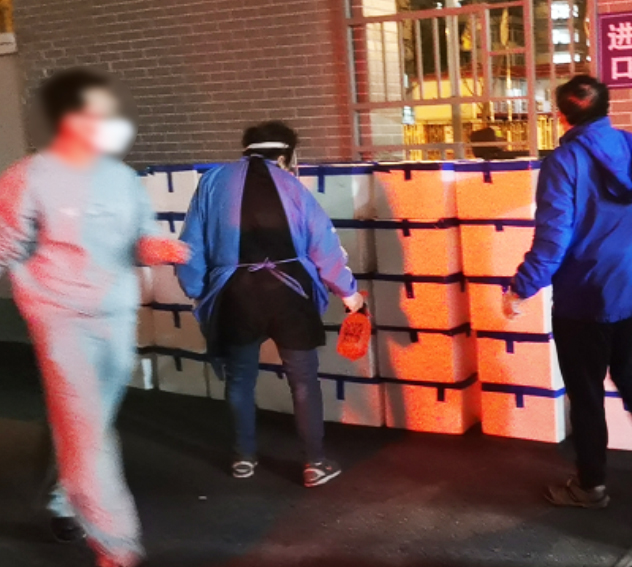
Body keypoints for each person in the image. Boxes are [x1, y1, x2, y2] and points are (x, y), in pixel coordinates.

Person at [0, 68, 188, 567]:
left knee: (90, 418)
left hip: (116, 312)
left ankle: (65, 498)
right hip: (60, 315)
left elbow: (141, 237)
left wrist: (157, 248)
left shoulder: (122, 178)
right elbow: (5, 242)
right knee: (87, 426)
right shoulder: (28, 176)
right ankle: (116, 544)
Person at [502, 75, 632, 509]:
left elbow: (553, 239)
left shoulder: (564, 161)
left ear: (560, 115)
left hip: (584, 296)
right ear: (606, 108)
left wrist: (520, 288)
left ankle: (591, 487)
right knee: (628, 372)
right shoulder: (630, 148)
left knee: (586, 395)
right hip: (628, 288)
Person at [177, 121, 364, 487]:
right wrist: (349, 294)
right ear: (284, 156)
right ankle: (314, 463)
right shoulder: (294, 186)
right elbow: (324, 246)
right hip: (291, 294)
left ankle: (243, 458)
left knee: (240, 378)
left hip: (234, 293)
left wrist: (197, 290)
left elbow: (191, 246)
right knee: (303, 380)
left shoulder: (212, 182)